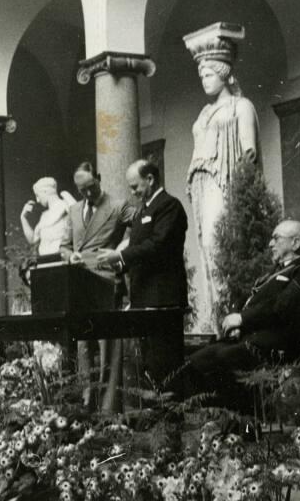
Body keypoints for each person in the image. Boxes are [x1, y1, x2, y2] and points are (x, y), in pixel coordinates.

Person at [186, 220, 300, 404]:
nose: (270, 243)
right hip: (251, 340)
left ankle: (245, 419)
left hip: (277, 345)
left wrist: (243, 319)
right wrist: (237, 321)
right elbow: (247, 301)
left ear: (296, 243)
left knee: (222, 358)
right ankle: (222, 418)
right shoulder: (271, 274)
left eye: (276, 238)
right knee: (196, 360)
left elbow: (282, 307)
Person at [184, 24, 260, 334]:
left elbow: (249, 155)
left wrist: (241, 197)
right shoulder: (204, 113)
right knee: (206, 246)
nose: (204, 80)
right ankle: (216, 315)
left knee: (221, 245)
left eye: (209, 74)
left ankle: (231, 312)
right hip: (202, 184)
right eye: (201, 75)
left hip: (225, 183)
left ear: (225, 73)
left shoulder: (241, 106)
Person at [97, 159, 188, 385]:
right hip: (144, 297)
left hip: (162, 299)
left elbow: (158, 245)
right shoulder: (142, 212)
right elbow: (137, 248)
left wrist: (120, 256)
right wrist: (118, 264)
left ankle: (171, 415)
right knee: (149, 363)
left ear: (150, 179)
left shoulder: (169, 206)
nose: (133, 192)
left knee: (165, 363)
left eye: (135, 186)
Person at [60, 161, 135, 412]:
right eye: (82, 190)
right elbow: (64, 245)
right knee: (83, 345)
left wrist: (119, 251)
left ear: (99, 179)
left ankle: (107, 406)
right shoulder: (73, 210)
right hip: (80, 282)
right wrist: (70, 256)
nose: (88, 194)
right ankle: (86, 402)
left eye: (91, 187)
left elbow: (142, 231)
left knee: (105, 344)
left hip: (104, 281)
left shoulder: (117, 206)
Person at [20, 177, 76, 255]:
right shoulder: (44, 216)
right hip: (45, 260)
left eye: (38, 195)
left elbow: (79, 221)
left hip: (62, 258)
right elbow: (33, 240)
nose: (37, 200)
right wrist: (23, 218)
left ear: (45, 191)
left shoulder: (65, 205)